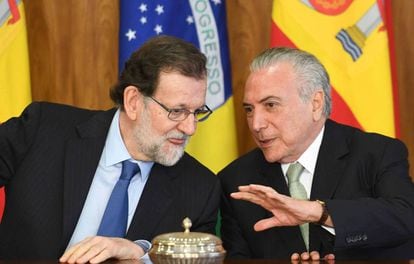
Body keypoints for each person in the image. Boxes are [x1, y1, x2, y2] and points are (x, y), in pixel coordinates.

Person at [0, 35, 220, 262]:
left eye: (197, 112)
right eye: (177, 111)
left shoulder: (199, 188)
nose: (190, 127)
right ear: (134, 101)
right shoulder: (43, 130)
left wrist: (143, 253)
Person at [218, 47, 414, 260]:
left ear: (315, 103)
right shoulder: (236, 180)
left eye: (270, 105)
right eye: (249, 109)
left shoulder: (376, 153)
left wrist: (319, 213)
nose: (256, 124)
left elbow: (405, 218)